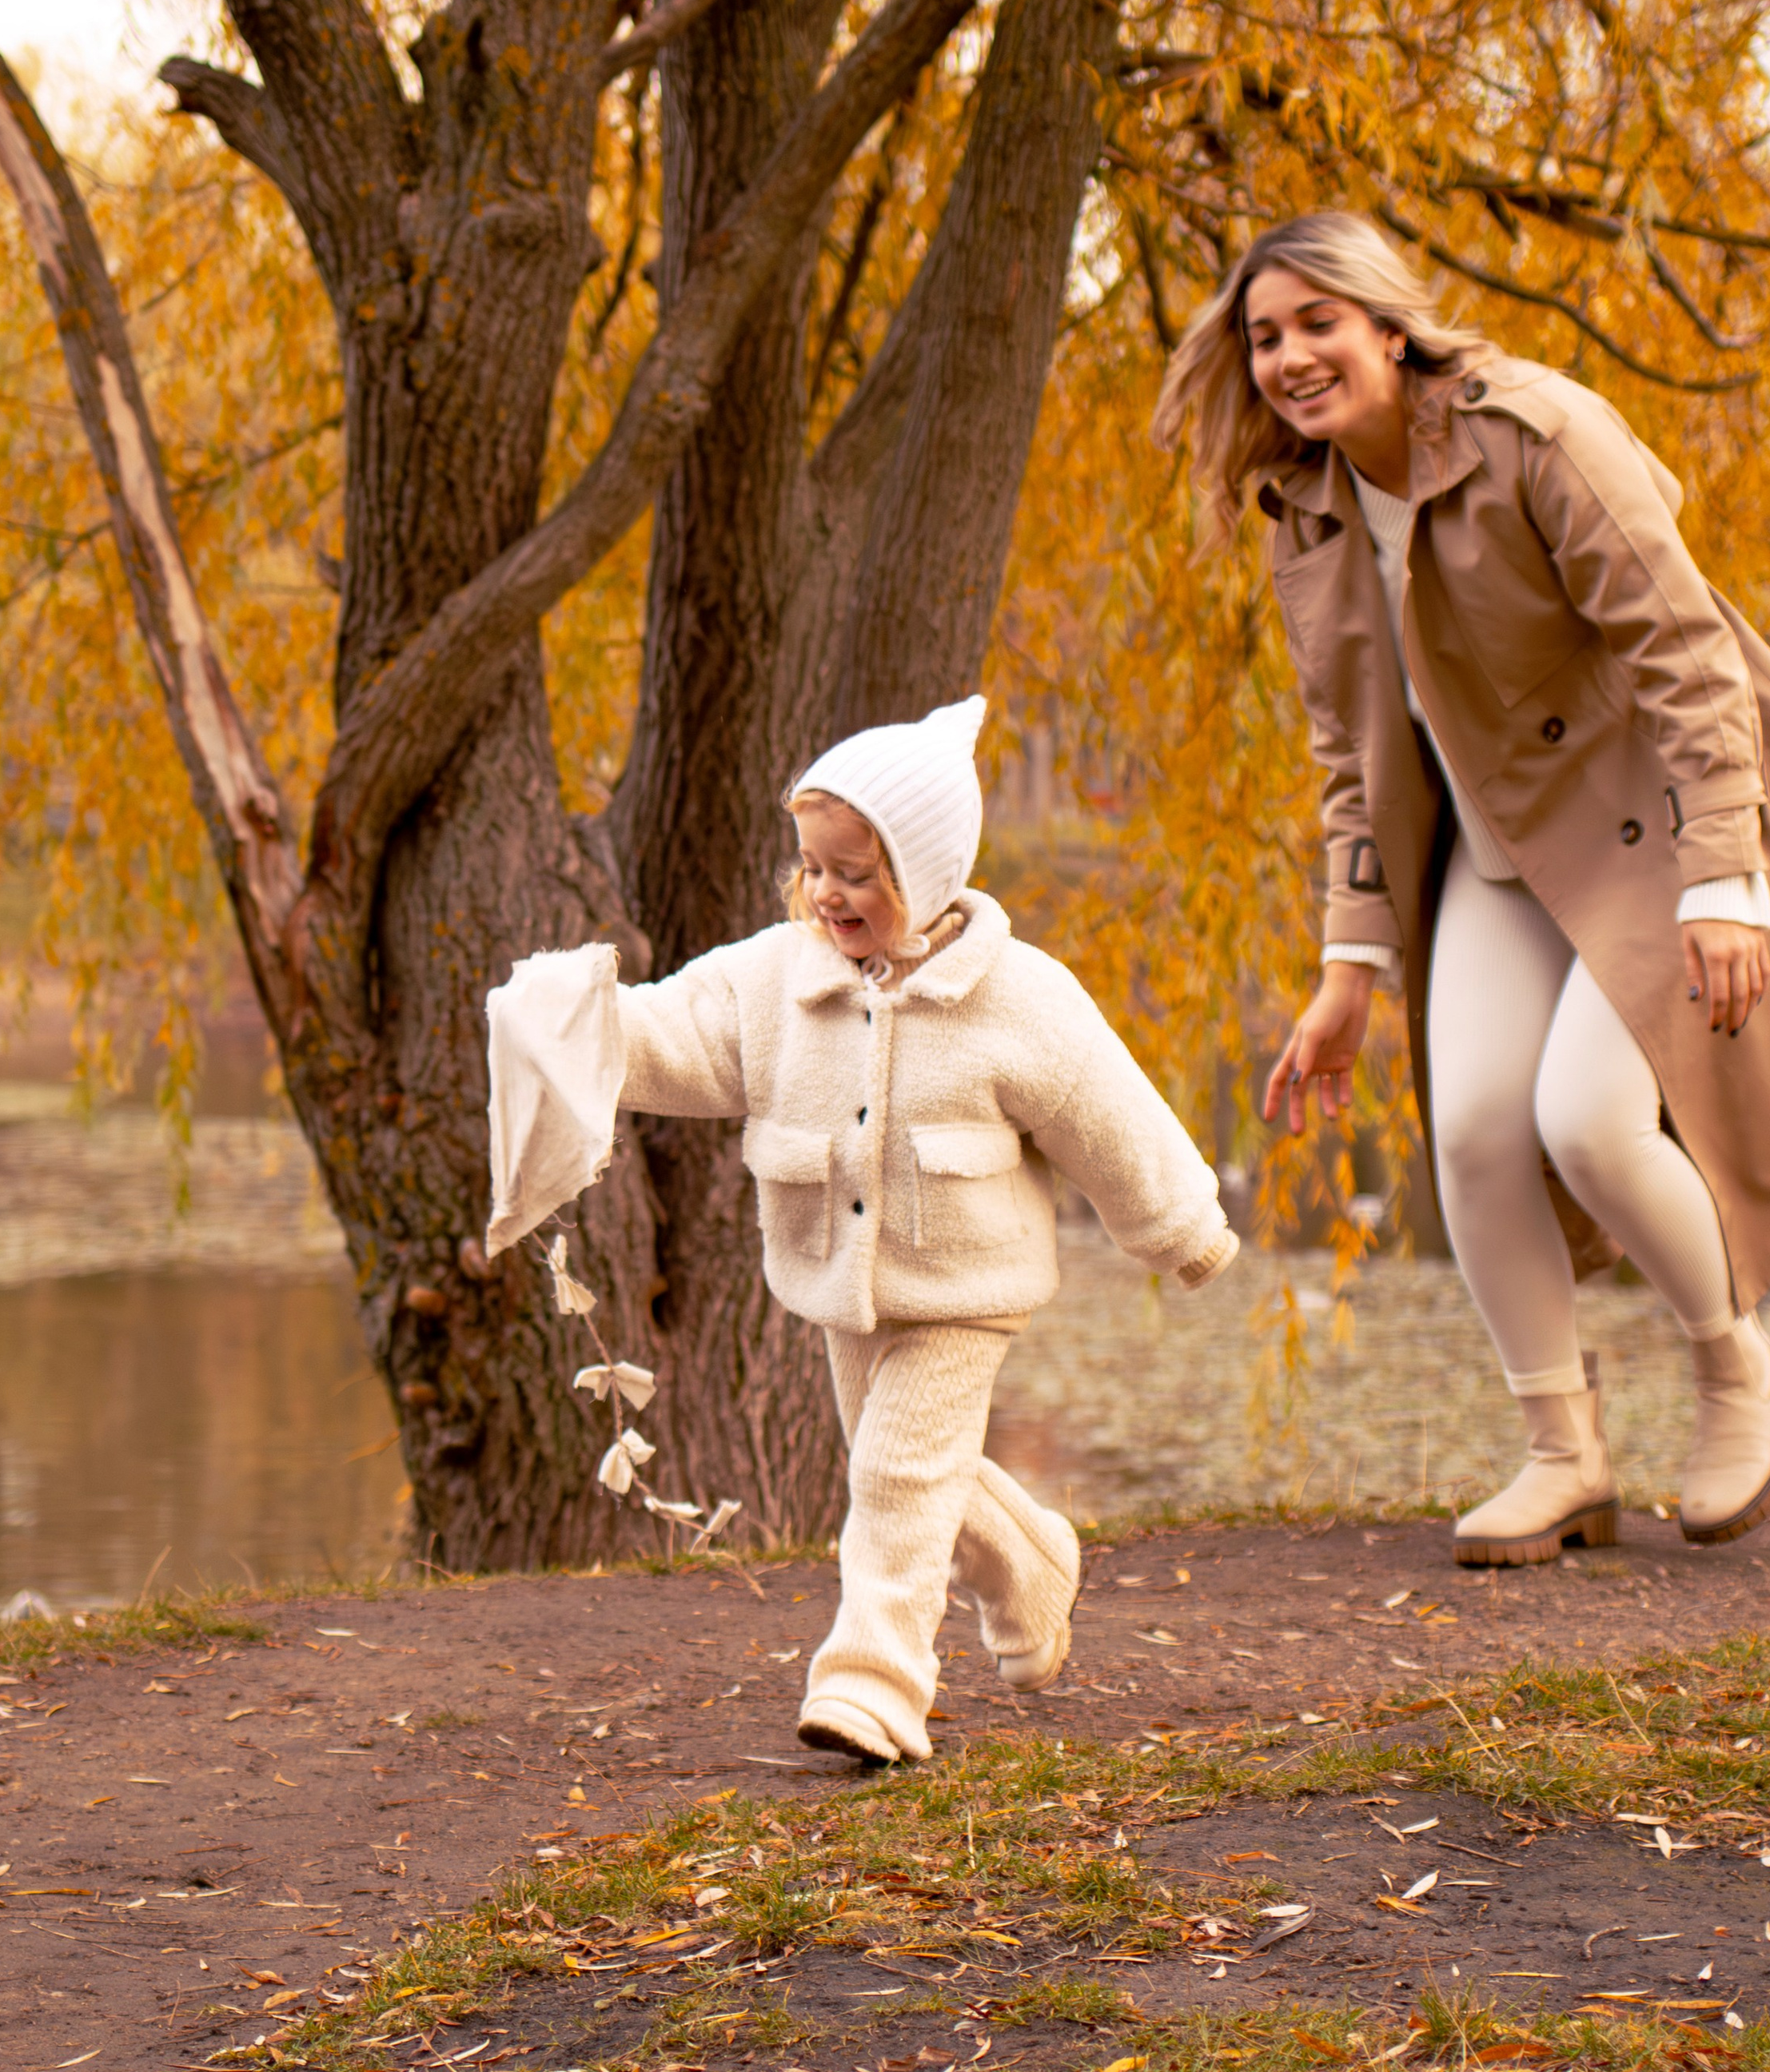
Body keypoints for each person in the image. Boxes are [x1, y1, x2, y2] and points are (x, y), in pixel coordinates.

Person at [1155, 210, 1770, 1568]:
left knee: (1586, 1118)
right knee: (1472, 1134)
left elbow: (1685, 648)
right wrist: (1349, 965)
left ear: (1389, 326)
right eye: (1264, 337)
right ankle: (1564, 1456)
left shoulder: (1532, 432)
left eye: (1318, 323)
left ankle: (1740, 1366)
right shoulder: (1310, 518)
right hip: (1493, 852)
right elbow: (1352, 761)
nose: (1290, 359)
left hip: (1645, 820)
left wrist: (1724, 873)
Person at [484, 695, 1236, 1764]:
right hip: (839, 1280)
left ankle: (874, 1685)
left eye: (856, 872)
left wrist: (1181, 1227)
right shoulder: (772, 982)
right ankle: (1032, 1564)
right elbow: (680, 1034)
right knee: (912, 1472)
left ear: (926, 874)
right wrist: (575, 1023)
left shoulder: (1017, 998)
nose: (828, 892)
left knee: (896, 1475)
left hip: (966, 1289)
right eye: (813, 867)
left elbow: (1105, 1112)